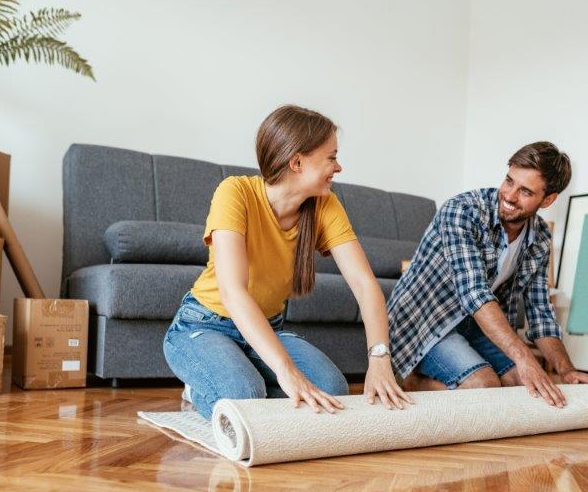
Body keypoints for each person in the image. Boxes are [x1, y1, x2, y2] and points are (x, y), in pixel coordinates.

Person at [163, 105, 411, 419]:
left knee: (331, 389)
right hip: (204, 326)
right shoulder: (234, 192)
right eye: (331, 157)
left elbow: (364, 285)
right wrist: (285, 369)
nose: (339, 167)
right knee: (244, 396)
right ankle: (202, 386)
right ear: (297, 162)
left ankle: (246, 369)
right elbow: (232, 292)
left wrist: (379, 359)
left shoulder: (325, 205)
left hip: (268, 328)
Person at [388, 141, 588, 407]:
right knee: (484, 385)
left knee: (522, 385)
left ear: (548, 199)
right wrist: (525, 357)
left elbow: (539, 311)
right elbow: (475, 294)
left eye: (526, 191)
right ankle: (412, 381)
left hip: (476, 325)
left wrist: (566, 370)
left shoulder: (540, 237)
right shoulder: (462, 211)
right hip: (425, 321)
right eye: (509, 181)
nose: (509, 195)